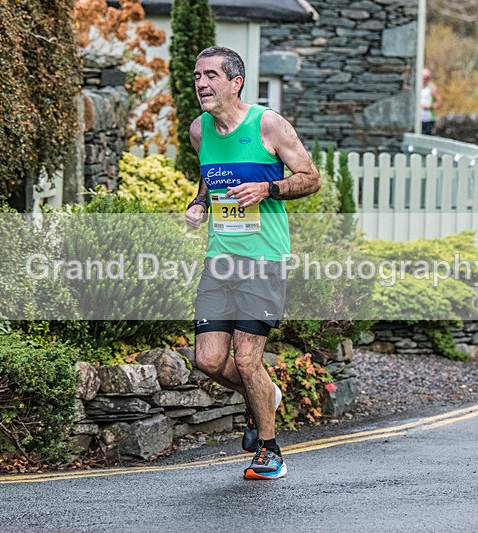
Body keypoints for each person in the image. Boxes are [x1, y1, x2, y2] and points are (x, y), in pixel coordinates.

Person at [184, 46, 321, 480]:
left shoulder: (268, 124)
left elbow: (311, 178)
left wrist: (268, 190)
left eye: (211, 76)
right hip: (219, 259)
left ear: (234, 82)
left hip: (263, 259)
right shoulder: (198, 130)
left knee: (246, 360)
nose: (201, 83)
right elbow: (209, 176)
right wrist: (198, 204)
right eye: (197, 75)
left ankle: (269, 448)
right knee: (207, 360)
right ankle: (265, 395)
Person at [420, 68, 441, 135]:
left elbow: (439, 102)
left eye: (427, 78)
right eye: (423, 78)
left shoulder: (432, 88)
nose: (425, 80)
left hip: (428, 119)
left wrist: (430, 107)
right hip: (419, 118)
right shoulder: (417, 87)